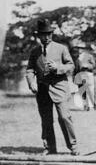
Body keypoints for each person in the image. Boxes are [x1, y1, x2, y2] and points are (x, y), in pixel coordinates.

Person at [26, 19, 79, 156]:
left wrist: (58, 68)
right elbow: (30, 70)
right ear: (39, 36)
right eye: (44, 34)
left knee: (64, 117)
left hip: (60, 87)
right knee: (46, 120)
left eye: (49, 34)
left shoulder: (61, 48)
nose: (47, 37)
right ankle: (50, 147)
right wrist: (31, 82)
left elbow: (71, 66)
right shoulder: (34, 52)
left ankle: (73, 146)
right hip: (42, 90)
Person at [72, 40, 96, 111]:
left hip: (87, 74)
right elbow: (75, 68)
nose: (80, 50)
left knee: (90, 90)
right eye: (79, 48)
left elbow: (94, 65)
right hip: (79, 75)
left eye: (82, 48)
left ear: (84, 49)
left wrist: (87, 66)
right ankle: (86, 105)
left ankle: (94, 103)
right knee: (82, 91)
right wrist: (74, 77)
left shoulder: (89, 56)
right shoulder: (76, 58)